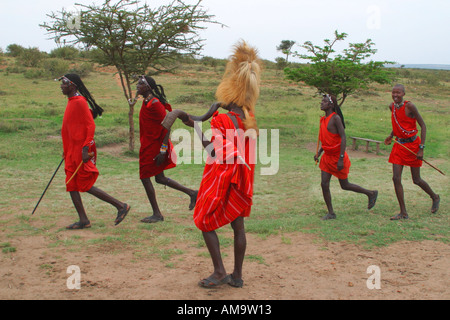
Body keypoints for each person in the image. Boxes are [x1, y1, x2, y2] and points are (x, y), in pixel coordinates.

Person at [192, 41, 261, 288]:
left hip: (223, 177)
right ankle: (238, 276)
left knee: (203, 220)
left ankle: (220, 271)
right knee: (238, 226)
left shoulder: (222, 119)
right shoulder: (249, 118)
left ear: (229, 91)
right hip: (243, 179)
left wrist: (197, 127)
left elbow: (213, 151)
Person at [60, 74, 130, 229]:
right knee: (71, 184)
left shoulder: (79, 102)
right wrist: (67, 149)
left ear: (73, 85)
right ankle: (83, 220)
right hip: (71, 150)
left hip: (81, 150)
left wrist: (85, 149)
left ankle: (120, 206)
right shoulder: (71, 101)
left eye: (64, 83)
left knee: (84, 185)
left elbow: (90, 126)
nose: (61, 86)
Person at [136, 75, 198, 223]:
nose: (137, 86)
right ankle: (192, 193)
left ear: (148, 87)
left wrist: (163, 150)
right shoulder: (147, 102)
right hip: (148, 144)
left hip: (155, 146)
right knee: (159, 178)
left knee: (145, 177)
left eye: (140, 84)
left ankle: (157, 214)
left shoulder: (155, 104)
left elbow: (167, 126)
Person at [314, 94, 378, 220]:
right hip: (327, 157)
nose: (321, 103)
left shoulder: (335, 118)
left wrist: (341, 158)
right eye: (321, 101)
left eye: (324, 101)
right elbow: (326, 139)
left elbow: (343, 137)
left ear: (331, 104)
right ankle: (331, 213)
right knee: (324, 183)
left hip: (338, 157)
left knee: (345, 185)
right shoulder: (324, 119)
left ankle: (371, 193)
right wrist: (319, 152)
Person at [384, 84, 440, 220]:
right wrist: (391, 135)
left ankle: (435, 196)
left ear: (403, 94)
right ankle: (403, 212)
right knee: (396, 178)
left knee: (416, 179)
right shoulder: (391, 107)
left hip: (413, 145)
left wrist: (421, 148)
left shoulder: (410, 107)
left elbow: (423, 125)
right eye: (393, 93)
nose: (395, 95)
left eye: (398, 93)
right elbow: (398, 124)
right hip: (399, 146)